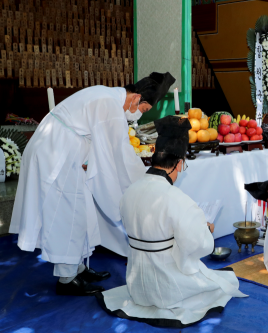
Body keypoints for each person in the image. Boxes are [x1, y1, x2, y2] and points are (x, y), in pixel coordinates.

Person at [10, 72, 174, 296]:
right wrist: (147, 178)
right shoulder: (109, 104)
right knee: (68, 214)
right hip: (56, 155)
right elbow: (120, 153)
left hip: (65, 152)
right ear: (136, 99)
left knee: (83, 210)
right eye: (143, 110)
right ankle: (67, 280)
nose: (137, 116)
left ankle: (78, 268)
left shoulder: (107, 96)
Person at [97, 116, 246, 327]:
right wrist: (207, 230)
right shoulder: (177, 199)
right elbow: (199, 246)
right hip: (169, 288)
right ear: (178, 164)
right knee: (220, 286)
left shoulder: (129, 192)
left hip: (137, 285)